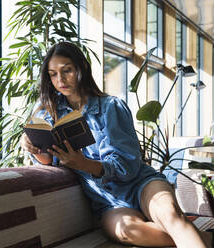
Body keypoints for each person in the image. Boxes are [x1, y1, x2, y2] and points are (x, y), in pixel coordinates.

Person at [21, 41, 211, 247]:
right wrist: (34, 146)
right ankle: (207, 238)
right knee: (129, 231)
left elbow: (128, 166)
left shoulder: (111, 106)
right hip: (107, 201)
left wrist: (84, 164)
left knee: (171, 216)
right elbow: (48, 160)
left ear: (81, 68)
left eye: (66, 70)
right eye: (53, 74)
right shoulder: (48, 114)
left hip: (141, 184)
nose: (60, 80)